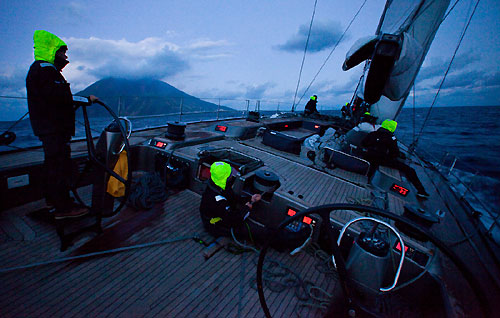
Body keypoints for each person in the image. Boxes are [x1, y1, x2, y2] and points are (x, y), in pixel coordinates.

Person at [26, 30, 98, 219]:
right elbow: (60, 97)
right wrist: (86, 100)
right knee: (59, 166)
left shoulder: (40, 69)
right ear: (53, 50)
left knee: (52, 164)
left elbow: (53, 97)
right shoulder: (46, 69)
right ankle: (64, 208)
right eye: (63, 52)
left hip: (48, 128)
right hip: (54, 129)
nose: (66, 57)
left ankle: (53, 200)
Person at [200, 161, 310, 250]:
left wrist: (250, 198)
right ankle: (292, 241)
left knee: (263, 228)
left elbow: (233, 199)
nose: (232, 176)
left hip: (223, 216)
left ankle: (278, 239)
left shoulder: (217, 184)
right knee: (258, 232)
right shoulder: (216, 200)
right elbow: (234, 220)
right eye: (229, 175)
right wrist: (247, 208)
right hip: (216, 225)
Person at [361, 120, 430, 198]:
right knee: (410, 170)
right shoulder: (391, 138)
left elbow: (363, 144)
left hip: (369, 157)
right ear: (392, 128)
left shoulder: (372, 134)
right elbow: (394, 154)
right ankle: (421, 191)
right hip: (382, 160)